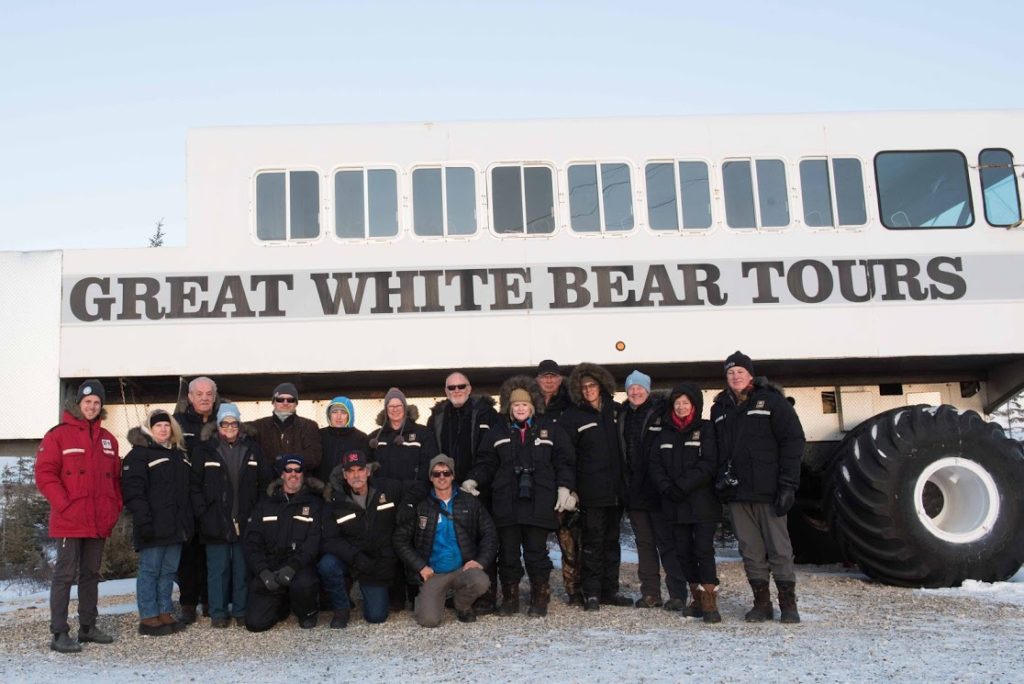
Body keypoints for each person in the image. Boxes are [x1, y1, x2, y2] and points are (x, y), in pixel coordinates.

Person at [466, 376, 575, 618]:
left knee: (536, 551)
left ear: (532, 406)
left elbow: (564, 461)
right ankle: (510, 598)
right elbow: (486, 462)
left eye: (524, 405)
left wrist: (565, 487)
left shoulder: (550, 430)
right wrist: (474, 479)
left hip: (539, 500)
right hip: (507, 501)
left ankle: (540, 596)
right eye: (516, 405)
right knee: (508, 552)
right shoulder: (498, 431)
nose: (520, 409)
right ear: (509, 407)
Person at [711, 351, 805, 624]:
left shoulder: (773, 402)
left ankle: (788, 604)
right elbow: (717, 450)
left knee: (779, 550)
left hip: (769, 491)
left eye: (740, 371)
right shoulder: (720, 409)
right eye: (730, 373)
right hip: (738, 493)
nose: (735, 376)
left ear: (751, 375)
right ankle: (762, 604)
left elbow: (793, 442)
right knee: (750, 551)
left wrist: (789, 484)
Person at [35, 379, 122, 653]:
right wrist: (64, 504)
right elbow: (44, 474)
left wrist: (115, 506)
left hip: (98, 521)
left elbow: (116, 480)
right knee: (64, 575)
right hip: (69, 520)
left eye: (96, 403)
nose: (92, 407)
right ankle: (59, 632)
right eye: (87, 402)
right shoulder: (58, 435)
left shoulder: (109, 439)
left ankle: (87, 627)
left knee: (90, 574)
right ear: (78, 404)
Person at [394, 455, 498, 627]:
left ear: (453, 475)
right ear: (430, 477)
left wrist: (480, 561)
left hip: (462, 569)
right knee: (428, 621)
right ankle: (432, 598)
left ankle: (462, 604)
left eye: (446, 473)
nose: (441, 477)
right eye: (436, 474)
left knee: (481, 581)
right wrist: (420, 566)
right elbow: (400, 539)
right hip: (434, 573)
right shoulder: (421, 505)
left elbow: (490, 533)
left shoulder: (469, 502)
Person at [191, 403, 270, 627]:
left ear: (239, 424)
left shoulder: (253, 449)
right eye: (225, 423)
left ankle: (241, 610)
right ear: (218, 425)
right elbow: (194, 486)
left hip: (246, 519)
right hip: (215, 520)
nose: (229, 427)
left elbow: (265, 483)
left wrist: (258, 512)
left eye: (233, 423)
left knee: (242, 569)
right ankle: (218, 612)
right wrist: (204, 514)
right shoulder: (204, 450)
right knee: (218, 569)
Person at [559, 363, 631, 611]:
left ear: (601, 386)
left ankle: (610, 591)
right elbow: (567, 457)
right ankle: (591, 592)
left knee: (613, 543)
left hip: (616, 492)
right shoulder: (572, 417)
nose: (588, 390)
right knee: (592, 544)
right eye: (584, 387)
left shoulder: (617, 411)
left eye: (592, 385)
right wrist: (570, 488)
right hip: (590, 492)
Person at [426, 371, 499, 612]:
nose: (456, 391)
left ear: (469, 388)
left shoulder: (487, 413)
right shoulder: (437, 417)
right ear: (445, 391)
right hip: (446, 486)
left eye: (461, 386)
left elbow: (490, 453)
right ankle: (457, 592)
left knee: (481, 539)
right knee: (453, 539)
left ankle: (486, 596)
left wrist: (474, 480)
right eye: (451, 387)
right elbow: (431, 453)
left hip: (478, 488)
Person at [649, 384, 722, 623]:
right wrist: (666, 488)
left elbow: (709, 463)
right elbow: (655, 464)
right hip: (674, 504)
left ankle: (709, 599)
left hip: (701, 504)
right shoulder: (664, 433)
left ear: (694, 405)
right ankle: (696, 598)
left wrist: (682, 485)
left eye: (685, 403)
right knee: (683, 552)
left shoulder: (705, 429)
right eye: (677, 403)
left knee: (703, 550)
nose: (681, 407)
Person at [122, 409, 194, 636]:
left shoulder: (179, 455)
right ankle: (148, 615)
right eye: (158, 426)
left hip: (176, 526)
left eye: (166, 425)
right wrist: (143, 521)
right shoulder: (139, 455)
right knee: (150, 570)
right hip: (152, 524)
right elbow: (134, 492)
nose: (163, 429)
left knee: (168, 571)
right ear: (149, 429)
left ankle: (164, 611)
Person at [368, 387, 438, 611]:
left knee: (416, 544)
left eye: (399, 406)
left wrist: (410, 500)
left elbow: (430, 468)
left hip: (415, 498)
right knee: (390, 544)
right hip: (386, 500)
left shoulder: (423, 434)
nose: (395, 410)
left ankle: (417, 592)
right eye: (391, 406)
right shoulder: (375, 438)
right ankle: (395, 593)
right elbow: (368, 473)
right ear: (386, 410)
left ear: (405, 408)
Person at [616, 370, 678, 610]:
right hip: (634, 489)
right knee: (644, 543)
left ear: (648, 389)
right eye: (631, 388)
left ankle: (677, 593)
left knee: (667, 542)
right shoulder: (622, 415)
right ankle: (651, 593)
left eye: (639, 387)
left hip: (658, 488)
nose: (635, 392)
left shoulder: (662, 412)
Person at [243, 455, 324, 631]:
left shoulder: (314, 504)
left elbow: (313, 542)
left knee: (304, 584)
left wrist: (292, 567)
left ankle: (307, 612)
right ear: (282, 474)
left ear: (303, 475)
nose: (293, 474)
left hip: (298, 566)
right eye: (289, 470)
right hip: (270, 566)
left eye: (298, 470)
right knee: (255, 624)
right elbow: (252, 542)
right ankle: (281, 605)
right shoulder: (265, 503)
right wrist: (263, 571)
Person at [318, 450, 396, 628]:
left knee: (376, 616)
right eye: (350, 471)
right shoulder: (335, 500)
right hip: (350, 557)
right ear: (344, 475)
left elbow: (416, 488)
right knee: (327, 564)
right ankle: (341, 609)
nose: (356, 475)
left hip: (374, 561)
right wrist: (355, 557)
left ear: (368, 471)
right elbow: (330, 540)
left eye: (360, 470)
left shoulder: (386, 491)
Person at [172, 376, 219, 624]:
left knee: (212, 552)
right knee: (188, 555)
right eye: (198, 393)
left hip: (215, 501)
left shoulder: (223, 422)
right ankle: (188, 604)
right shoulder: (177, 424)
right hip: (187, 501)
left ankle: (211, 601)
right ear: (189, 397)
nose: (204, 398)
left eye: (208, 394)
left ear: (214, 396)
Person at [536, 359, 582, 606]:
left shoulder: (571, 406)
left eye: (553, 376)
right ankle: (540, 589)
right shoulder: (529, 406)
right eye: (544, 376)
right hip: (538, 487)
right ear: (537, 380)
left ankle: (574, 591)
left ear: (560, 379)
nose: (549, 381)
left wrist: (570, 486)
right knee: (537, 546)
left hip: (564, 482)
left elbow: (571, 452)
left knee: (569, 544)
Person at [251, 382, 323, 472]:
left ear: (296, 403)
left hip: (298, 482)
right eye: (280, 399)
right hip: (267, 483)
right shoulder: (258, 426)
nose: (285, 403)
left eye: (290, 400)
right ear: (273, 402)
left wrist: (286, 460)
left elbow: (314, 456)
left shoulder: (309, 426)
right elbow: (234, 426)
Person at [314, 396, 370, 483]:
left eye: (343, 412)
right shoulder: (319, 435)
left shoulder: (361, 438)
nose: (338, 417)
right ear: (329, 415)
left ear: (350, 415)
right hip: (321, 489)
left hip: (348, 490)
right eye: (334, 412)